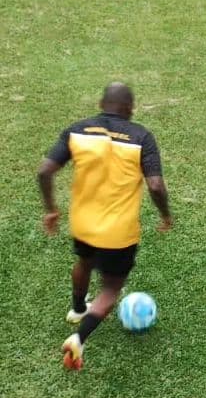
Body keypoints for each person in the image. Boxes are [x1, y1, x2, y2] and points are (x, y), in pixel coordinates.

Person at [38, 83, 172, 371]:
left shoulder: (77, 130)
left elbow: (45, 171)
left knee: (84, 262)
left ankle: (77, 309)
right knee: (110, 288)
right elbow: (156, 185)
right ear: (130, 109)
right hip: (118, 232)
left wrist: (51, 210)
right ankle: (79, 338)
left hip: (83, 224)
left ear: (101, 104)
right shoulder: (141, 137)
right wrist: (165, 215)